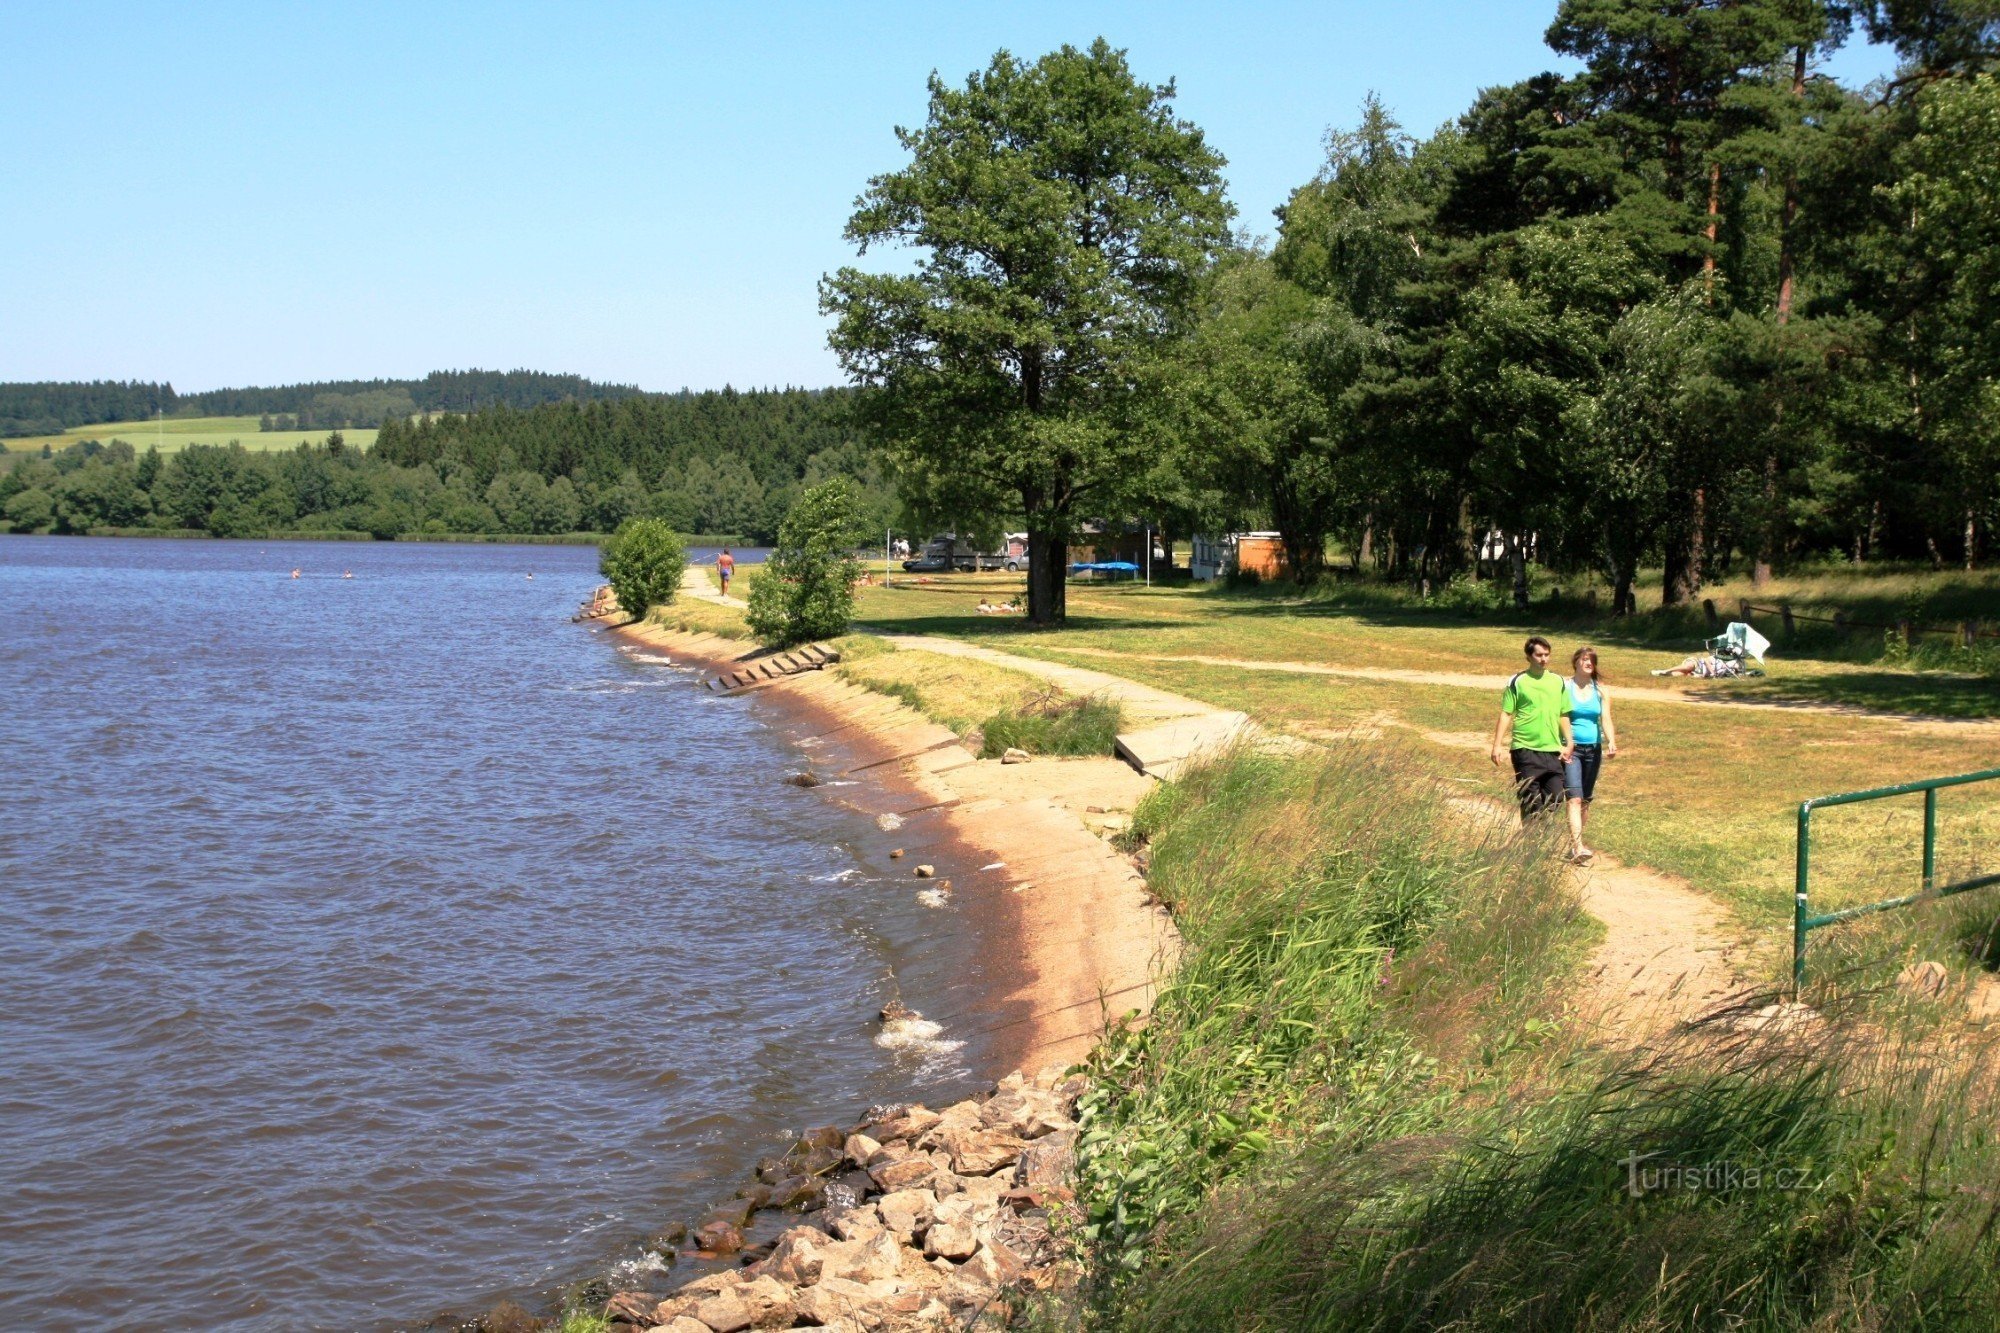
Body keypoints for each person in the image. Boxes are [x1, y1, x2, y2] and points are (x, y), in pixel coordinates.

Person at [1491, 635, 1574, 844]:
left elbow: (1564, 714)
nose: (1544, 659)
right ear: (1529, 656)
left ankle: (1535, 834)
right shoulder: (1517, 681)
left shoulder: (1558, 682)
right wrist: (1497, 745)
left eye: (1547, 655)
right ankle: (1529, 845)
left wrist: (1569, 742)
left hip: (1552, 749)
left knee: (1555, 796)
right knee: (1530, 800)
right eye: (1539, 655)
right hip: (1524, 748)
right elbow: (1506, 714)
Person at [1563, 647, 1618, 863]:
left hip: (1593, 749)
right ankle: (1578, 847)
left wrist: (1611, 740)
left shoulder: (1601, 690)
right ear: (1576, 661)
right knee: (1574, 798)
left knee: (1585, 800)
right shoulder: (1565, 687)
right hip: (1572, 750)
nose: (1588, 663)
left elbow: (1605, 718)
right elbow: (1561, 715)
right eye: (1585, 659)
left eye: (1592, 661)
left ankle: (1575, 842)